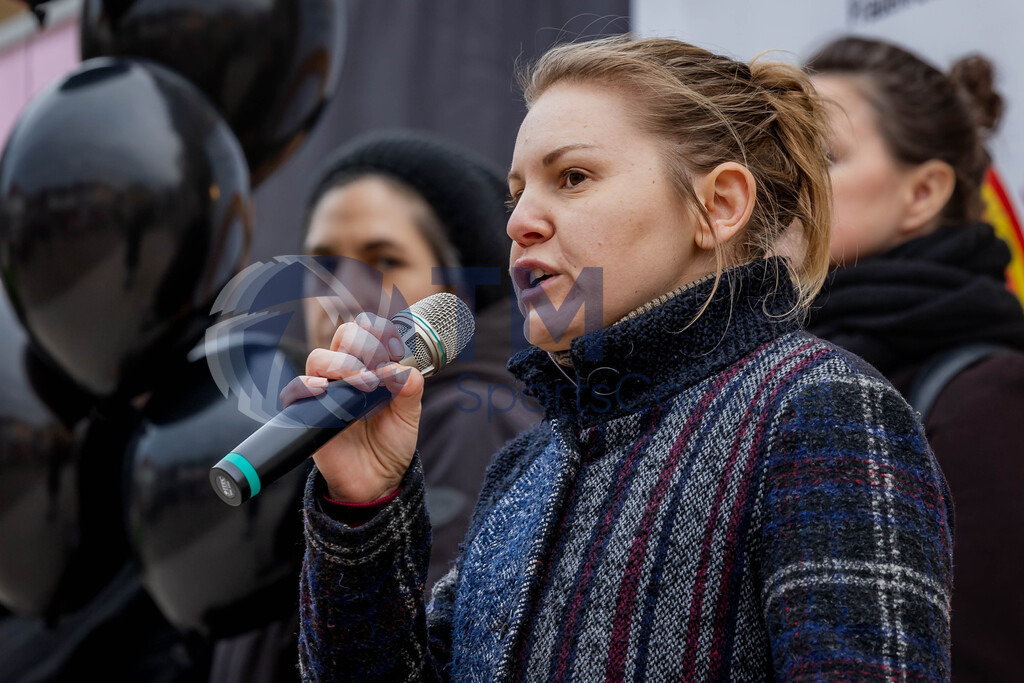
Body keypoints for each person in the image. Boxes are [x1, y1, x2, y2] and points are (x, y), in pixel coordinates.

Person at [291, 35, 954, 680]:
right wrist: (364, 505)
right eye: (517, 192)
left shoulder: (819, 409)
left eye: (572, 177)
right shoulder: (526, 464)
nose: (520, 221)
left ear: (719, 205)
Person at [206, 130, 539, 683]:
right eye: (323, 265)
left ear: (456, 291)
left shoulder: (471, 416)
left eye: (384, 258)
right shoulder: (309, 430)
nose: (345, 293)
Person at [804, 36, 1024, 682]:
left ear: (923, 192)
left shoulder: (991, 398)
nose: (779, 184)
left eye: (820, 155)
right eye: (769, 156)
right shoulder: (750, 377)